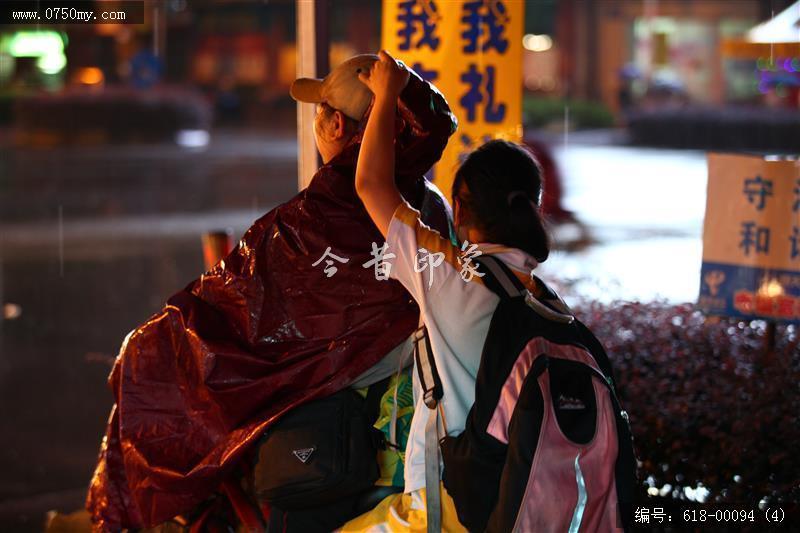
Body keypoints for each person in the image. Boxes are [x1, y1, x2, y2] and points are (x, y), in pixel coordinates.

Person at [86, 54, 457, 531]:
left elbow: (240, 308)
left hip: (342, 372)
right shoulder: (427, 201)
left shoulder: (322, 214)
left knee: (153, 363)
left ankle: (130, 513)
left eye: (319, 114)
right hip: (397, 360)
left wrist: (166, 336)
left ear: (336, 125)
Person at [343, 50, 551, 531]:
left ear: (458, 208)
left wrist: (386, 94)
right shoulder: (545, 300)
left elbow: (371, 183)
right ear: (533, 209)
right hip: (525, 502)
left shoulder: (451, 271)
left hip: (449, 506)